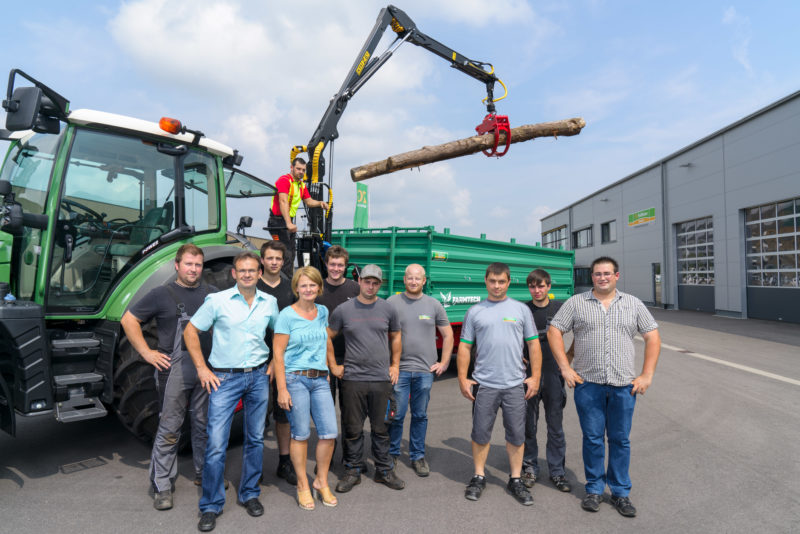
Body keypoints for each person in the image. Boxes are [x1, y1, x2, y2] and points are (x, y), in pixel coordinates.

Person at [548, 256, 661, 518]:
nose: (602, 278)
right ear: (592, 277)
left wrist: (647, 374)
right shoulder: (577, 303)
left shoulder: (633, 304)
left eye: (607, 273)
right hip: (589, 385)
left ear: (616, 276)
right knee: (593, 439)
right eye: (598, 274)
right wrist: (565, 367)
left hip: (624, 386)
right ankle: (595, 489)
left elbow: (652, 336)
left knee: (620, 440)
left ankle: (620, 492)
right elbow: (555, 330)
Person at [184, 251, 279, 533]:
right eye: (242, 270)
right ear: (234, 274)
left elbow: (280, 336)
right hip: (224, 379)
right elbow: (190, 332)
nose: (247, 274)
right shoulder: (217, 301)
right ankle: (211, 505)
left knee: (255, 439)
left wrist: (274, 363)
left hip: (258, 377)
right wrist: (202, 368)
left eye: (252, 270)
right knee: (215, 443)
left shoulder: (269, 302)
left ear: (259, 274)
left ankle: (249, 493)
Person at [120, 244, 215, 511]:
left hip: (205, 368)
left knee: (202, 425)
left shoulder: (212, 293)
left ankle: (203, 474)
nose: (193, 269)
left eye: (197, 265)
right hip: (173, 368)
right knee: (170, 427)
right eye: (188, 264)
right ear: (177, 265)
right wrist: (147, 353)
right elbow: (129, 320)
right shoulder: (161, 294)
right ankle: (162, 484)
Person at [457, 262, 542, 506]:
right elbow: (464, 346)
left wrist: (535, 377)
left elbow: (534, 344)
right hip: (485, 384)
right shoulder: (475, 312)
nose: (497, 286)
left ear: (508, 282)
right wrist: (463, 378)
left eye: (501, 281)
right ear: (486, 281)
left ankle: (516, 479)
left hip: (515, 384)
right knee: (481, 433)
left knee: (516, 435)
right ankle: (479, 475)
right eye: (492, 281)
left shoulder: (520, 310)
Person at [327, 264, 405, 493]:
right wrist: (333, 365)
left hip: (381, 379)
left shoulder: (388, 309)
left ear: (379, 284)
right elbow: (327, 336)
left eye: (375, 282)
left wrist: (395, 365)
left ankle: (383, 470)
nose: (370, 286)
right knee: (353, 428)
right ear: (359, 281)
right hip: (353, 379)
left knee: (381, 428)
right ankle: (353, 470)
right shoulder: (343, 310)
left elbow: (396, 336)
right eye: (367, 281)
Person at [272, 266, 339, 511]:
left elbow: (325, 341)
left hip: (320, 379)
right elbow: (278, 354)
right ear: (297, 288)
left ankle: (321, 481)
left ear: (319, 288)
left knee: (329, 433)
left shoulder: (323, 311)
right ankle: (303, 485)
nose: (308, 289)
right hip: (295, 379)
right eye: (304, 285)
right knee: (300, 434)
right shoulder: (286, 316)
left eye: (312, 285)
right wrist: (281, 389)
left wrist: (330, 368)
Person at [387, 264, 454, 477]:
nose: (414, 281)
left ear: (424, 280)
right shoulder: (392, 303)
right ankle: (392, 454)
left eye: (418, 278)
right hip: (400, 371)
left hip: (425, 372)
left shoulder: (433, 305)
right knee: (396, 416)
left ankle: (417, 456)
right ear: (404, 279)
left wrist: (443, 363)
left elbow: (449, 335)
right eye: (410, 278)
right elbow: (381, 333)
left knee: (420, 415)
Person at [521, 269, 572, 492]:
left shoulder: (560, 308)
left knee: (555, 427)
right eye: (532, 286)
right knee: (528, 425)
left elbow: (581, 331)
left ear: (549, 286)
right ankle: (530, 467)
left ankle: (557, 472)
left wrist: (568, 358)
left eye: (541, 286)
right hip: (529, 376)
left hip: (553, 375)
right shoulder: (522, 309)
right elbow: (511, 335)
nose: (537, 290)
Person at [256, 240, 297, 486]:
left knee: (284, 415)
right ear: (262, 260)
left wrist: (277, 360)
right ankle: (255, 465)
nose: (274, 262)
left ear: (283, 262)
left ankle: (284, 462)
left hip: (284, 361)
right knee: (258, 416)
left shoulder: (290, 289)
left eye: (278, 259)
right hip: (256, 362)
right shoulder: (252, 286)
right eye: (269, 258)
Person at [315, 245, 359, 467]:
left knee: (350, 412)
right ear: (326, 263)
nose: (336, 268)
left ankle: (351, 458)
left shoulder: (355, 288)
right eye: (332, 264)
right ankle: (327, 456)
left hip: (351, 359)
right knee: (325, 410)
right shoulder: (317, 289)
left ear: (345, 266)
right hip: (322, 360)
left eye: (340, 265)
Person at [268, 157, 328, 277]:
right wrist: (289, 223)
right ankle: (285, 283)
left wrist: (320, 203)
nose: (301, 172)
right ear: (291, 168)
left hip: (286, 221)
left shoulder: (301, 185)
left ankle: (287, 280)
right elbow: (283, 202)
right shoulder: (284, 180)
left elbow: (309, 201)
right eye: (298, 169)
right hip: (278, 222)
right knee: (286, 254)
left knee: (292, 253)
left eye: (303, 170)